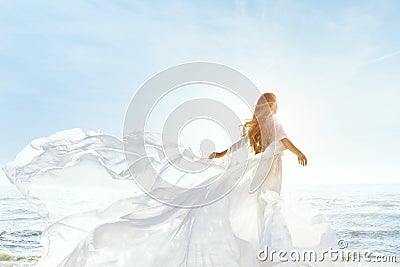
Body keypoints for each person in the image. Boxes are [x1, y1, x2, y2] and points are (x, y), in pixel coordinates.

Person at [4, 92, 342, 266]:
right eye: (267, 104)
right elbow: (242, 144)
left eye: (272, 104)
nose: (270, 108)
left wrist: (297, 152)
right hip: (260, 170)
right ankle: (252, 254)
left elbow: (284, 140)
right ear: (261, 105)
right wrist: (221, 156)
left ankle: (260, 253)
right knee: (253, 207)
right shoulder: (255, 124)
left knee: (266, 209)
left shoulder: (275, 124)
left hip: (272, 168)